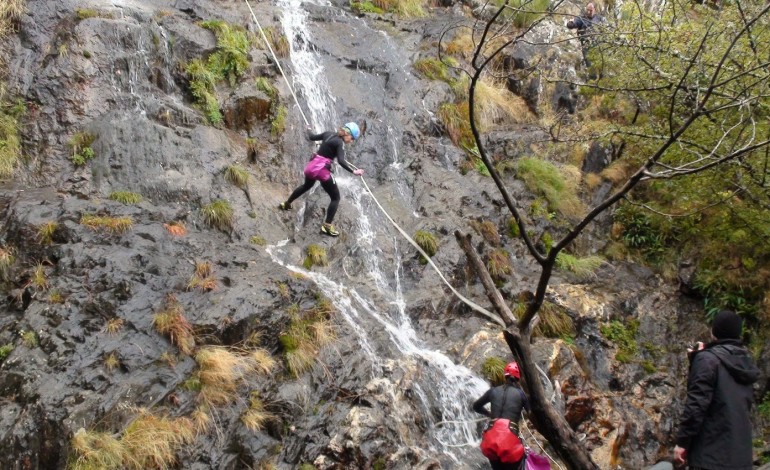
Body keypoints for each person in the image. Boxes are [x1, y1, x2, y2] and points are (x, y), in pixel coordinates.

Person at [674, 310, 759, 470]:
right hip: (741, 458)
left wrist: (682, 443)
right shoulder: (745, 361)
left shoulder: (707, 360)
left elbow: (696, 405)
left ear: (714, 332)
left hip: (711, 457)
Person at [278, 122, 364, 237]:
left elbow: (311, 137)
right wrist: (354, 171)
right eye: (352, 138)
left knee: (306, 186)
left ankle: (287, 204)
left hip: (311, 167)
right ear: (347, 134)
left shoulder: (328, 134)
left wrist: (308, 129)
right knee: (336, 198)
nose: (352, 141)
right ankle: (327, 226)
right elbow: (341, 161)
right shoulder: (340, 143)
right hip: (321, 170)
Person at [472, 361, 530, 470]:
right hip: (510, 440)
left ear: (505, 376)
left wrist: (489, 414)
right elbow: (530, 413)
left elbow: (476, 406)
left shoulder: (493, 391)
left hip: (491, 440)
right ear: (518, 379)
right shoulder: (521, 394)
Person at [566, 2, 605, 68]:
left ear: (595, 10)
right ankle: (592, 77)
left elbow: (605, 30)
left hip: (597, 45)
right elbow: (574, 23)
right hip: (586, 46)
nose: (589, 12)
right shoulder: (581, 18)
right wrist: (570, 23)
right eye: (587, 10)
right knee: (590, 64)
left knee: (599, 64)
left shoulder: (599, 19)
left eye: (591, 10)